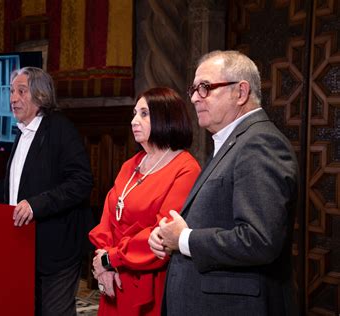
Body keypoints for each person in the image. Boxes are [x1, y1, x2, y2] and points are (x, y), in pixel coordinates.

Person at [148, 50, 299, 315]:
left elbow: (260, 241)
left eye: (205, 87)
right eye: (193, 89)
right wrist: (168, 237)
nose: (195, 98)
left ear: (241, 92)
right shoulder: (233, 141)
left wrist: (184, 239)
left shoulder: (260, 143)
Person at [0, 67, 93, 316]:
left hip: (58, 247)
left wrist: (36, 204)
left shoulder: (60, 129)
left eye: (21, 91)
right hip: (25, 246)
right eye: (11, 91)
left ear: (40, 96)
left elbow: (81, 181)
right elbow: (14, 187)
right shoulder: (21, 134)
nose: (13, 98)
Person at [89, 87, 201, 315]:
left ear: (166, 117)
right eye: (134, 113)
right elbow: (109, 215)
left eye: (143, 114)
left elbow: (162, 234)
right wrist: (104, 263)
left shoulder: (186, 169)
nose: (133, 121)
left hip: (150, 282)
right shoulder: (132, 164)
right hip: (114, 278)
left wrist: (112, 258)